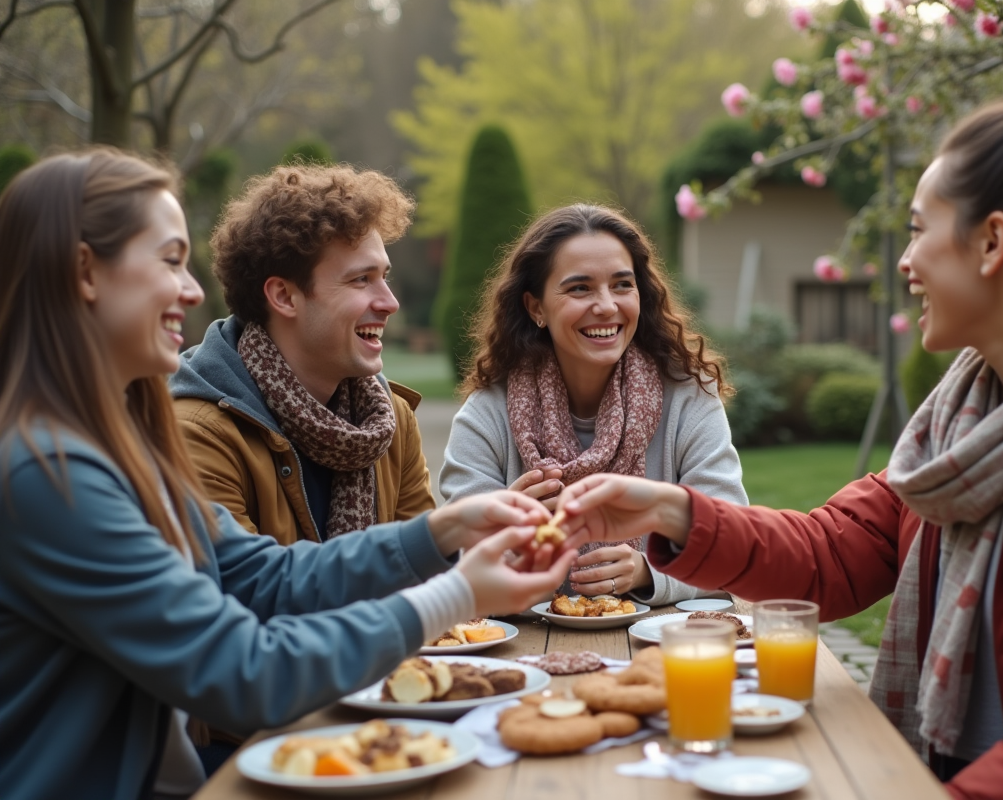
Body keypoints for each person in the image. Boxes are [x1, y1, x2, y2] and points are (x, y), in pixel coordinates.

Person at [553, 48, 1003, 800]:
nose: (905, 260)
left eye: (921, 229)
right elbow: (833, 552)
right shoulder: (967, 424)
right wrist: (674, 510)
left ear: (993, 244)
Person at [0, 149, 573, 800]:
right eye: (168, 260)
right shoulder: (46, 474)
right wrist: (457, 593)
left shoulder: (121, 446)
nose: (192, 290)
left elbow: (263, 575)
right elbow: (243, 672)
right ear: (85, 272)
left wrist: (442, 531)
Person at [440, 204, 747, 605]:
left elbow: (733, 544)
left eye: (622, 285)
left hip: (660, 645)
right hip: (527, 652)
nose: (606, 306)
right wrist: (506, 540)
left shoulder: (689, 401)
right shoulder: (488, 414)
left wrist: (648, 571)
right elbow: (454, 562)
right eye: (580, 288)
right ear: (536, 308)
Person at [170, 163, 434, 545]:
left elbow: (434, 579)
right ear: (283, 297)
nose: (390, 302)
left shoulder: (390, 423)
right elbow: (248, 589)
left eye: (384, 276)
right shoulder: (199, 434)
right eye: (361, 279)